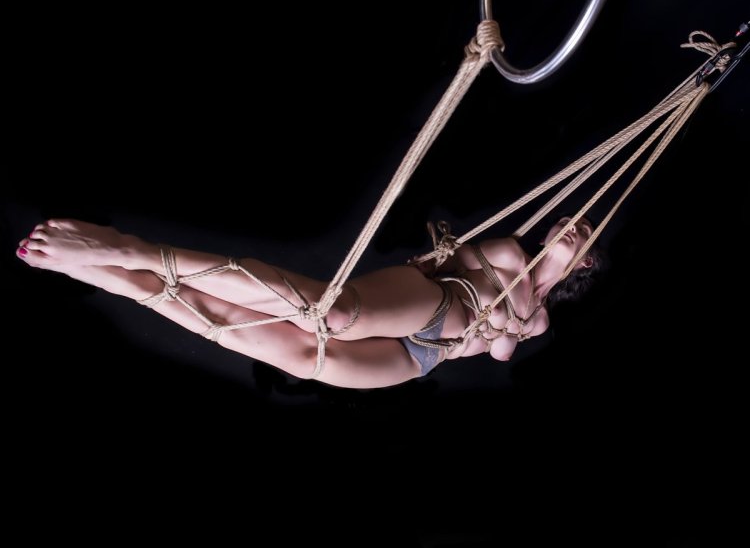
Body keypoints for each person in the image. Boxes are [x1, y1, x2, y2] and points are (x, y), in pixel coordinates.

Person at [15, 216, 604, 388]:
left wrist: (512, 323)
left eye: (585, 238)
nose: (576, 229)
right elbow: (455, 270)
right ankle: (131, 249)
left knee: (298, 356)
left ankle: (121, 280)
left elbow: (499, 352)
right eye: (575, 223)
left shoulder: (541, 317)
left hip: (422, 357)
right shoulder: (508, 254)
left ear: (583, 267)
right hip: (437, 304)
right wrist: (506, 316)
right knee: (333, 316)